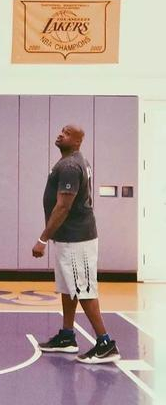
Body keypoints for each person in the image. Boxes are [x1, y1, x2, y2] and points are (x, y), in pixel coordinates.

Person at [32, 124, 121, 364]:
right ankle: (67, 336)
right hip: (67, 238)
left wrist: (42, 238)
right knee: (69, 287)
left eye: (68, 133)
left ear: (78, 141)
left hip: (77, 239)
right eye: (62, 130)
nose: (61, 134)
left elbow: (63, 206)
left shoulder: (71, 166)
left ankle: (105, 343)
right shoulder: (71, 161)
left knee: (83, 289)